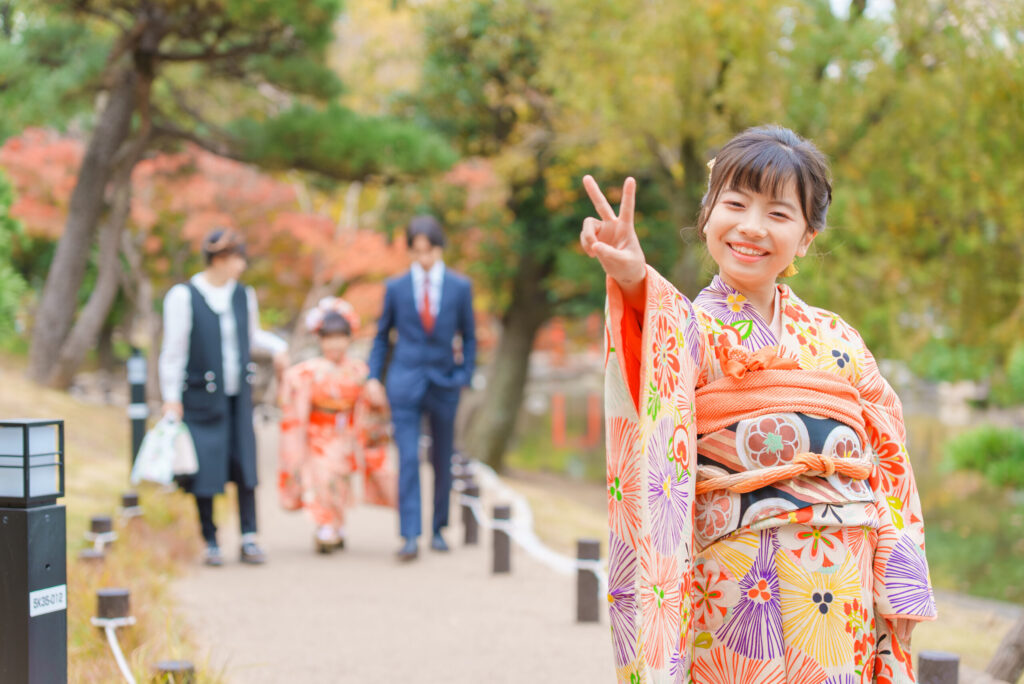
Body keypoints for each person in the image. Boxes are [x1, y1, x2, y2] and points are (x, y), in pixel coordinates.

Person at [580, 126, 936, 683]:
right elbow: (652, 354)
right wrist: (631, 278)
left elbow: (890, 460)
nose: (751, 227)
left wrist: (898, 570)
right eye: (736, 204)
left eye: (778, 213)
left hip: (840, 584)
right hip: (734, 579)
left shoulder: (838, 339)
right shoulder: (689, 326)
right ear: (707, 215)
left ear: (808, 236)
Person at [159, 228, 288, 567]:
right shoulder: (184, 296)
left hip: (237, 397)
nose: (242, 265)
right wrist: (171, 397)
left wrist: (278, 347)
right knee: (204, 469)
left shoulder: (244, 295)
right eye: (237, 258)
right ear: (220, 259)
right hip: (201, 396)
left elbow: (251, 337)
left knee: (244, 463)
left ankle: (249, 535)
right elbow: (173, 351)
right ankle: (210, 539)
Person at [365, 215, 476, 562]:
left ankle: (439, 528)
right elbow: (383, 335)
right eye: (416, 252)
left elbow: (470, 337)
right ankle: (409, 534)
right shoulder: (396, 287)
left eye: (428, 251)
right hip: (405, 381)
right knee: (409, 458)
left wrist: (464, 376)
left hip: (444, 381)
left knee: (443, 457)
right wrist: (373, 376)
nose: (423, 259)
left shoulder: (460, 287)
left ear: (439, 249)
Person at [277, 297, 397, 554]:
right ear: (320, 339)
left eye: (340, 337)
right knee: (321, 479)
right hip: (317, 434)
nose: (334, 344)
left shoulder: (358, 371)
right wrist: (281, 373)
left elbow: (371, 401)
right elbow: (287, 392)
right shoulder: (307, 371)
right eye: (328, 338)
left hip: (346, 435)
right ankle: (326, 526)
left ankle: (337, 523)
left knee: (340, 482)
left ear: (349, 339)